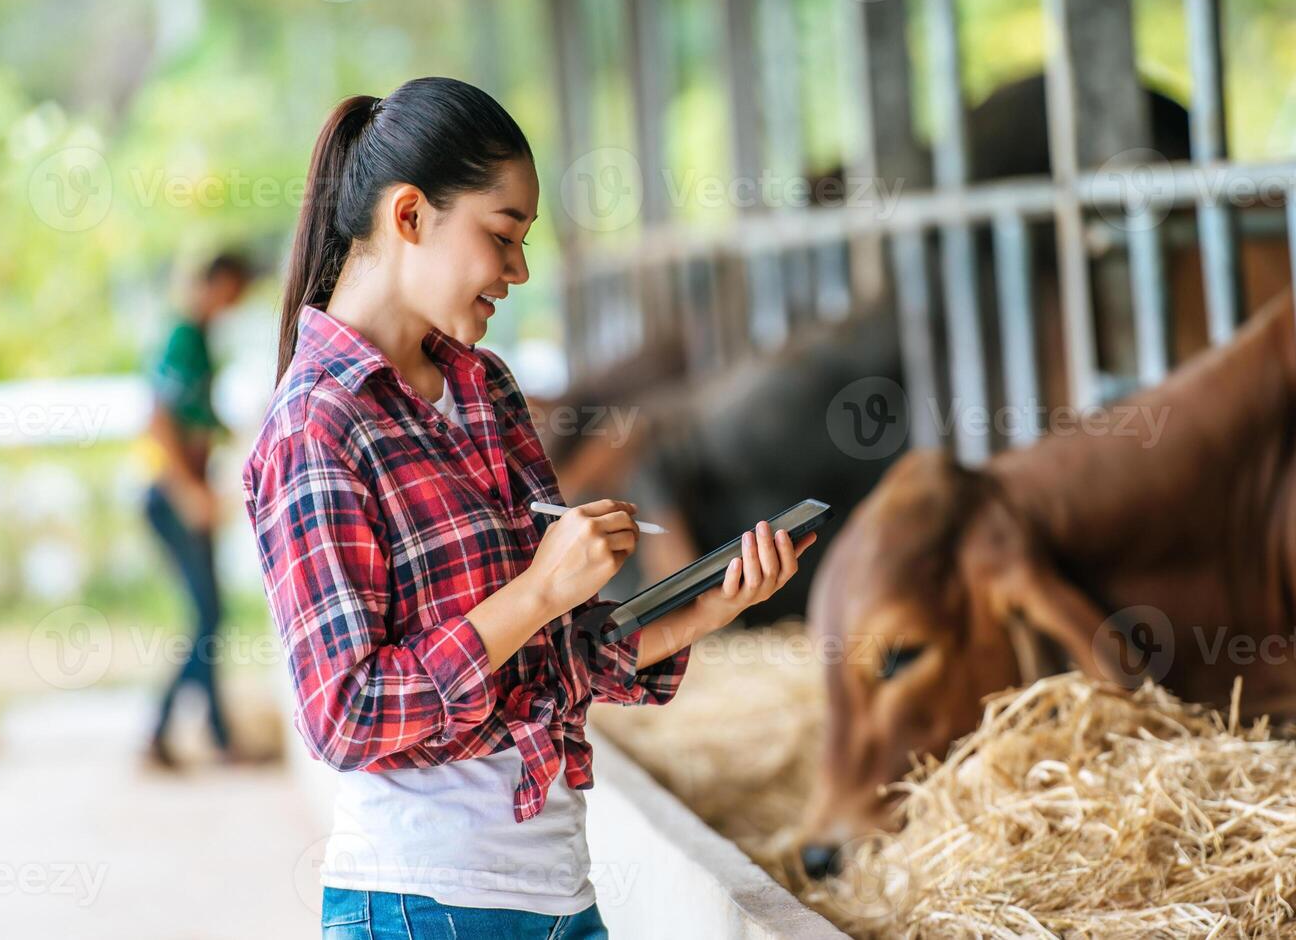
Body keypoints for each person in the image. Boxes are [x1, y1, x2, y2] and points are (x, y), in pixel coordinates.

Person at [241, 77, 816, 940]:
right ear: (408, 217)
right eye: (502, 236)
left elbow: (555, 659)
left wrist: (713, 604)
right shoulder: (316, 427)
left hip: (556, 894)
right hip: (423, 905)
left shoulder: (484, 389)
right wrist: (540, 590)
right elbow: (347, 714)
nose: (519, 270)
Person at [142, 251, 252, 769]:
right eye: (233, 291)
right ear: (216, 283)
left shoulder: (204, 342)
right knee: (208, 617)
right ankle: (168, 731)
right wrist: (190, 493)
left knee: (210, 617)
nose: (235, 302)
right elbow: (159, 422)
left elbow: (202, 418)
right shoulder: (184, 337)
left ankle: (213, 734)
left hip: (192, 497)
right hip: (172, 499)